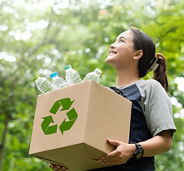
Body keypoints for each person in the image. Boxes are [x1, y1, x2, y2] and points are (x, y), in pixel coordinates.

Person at [49, 27, 177, 171]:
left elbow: (165, 141)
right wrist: (69, 162)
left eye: (121, 41)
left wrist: (132, 150)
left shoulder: (148, 88)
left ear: (137, 54)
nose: (112, 45)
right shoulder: (103, 95)